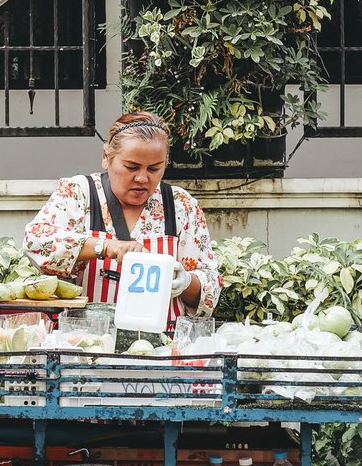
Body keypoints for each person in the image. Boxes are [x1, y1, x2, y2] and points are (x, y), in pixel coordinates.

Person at [23, 110, 220, 327]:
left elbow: (210, 286)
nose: (142, 178)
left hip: (165, 340)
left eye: (154, 168)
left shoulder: (180, 205)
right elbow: (36, 241)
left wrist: (185, 282)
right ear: (106, 158)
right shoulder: (79, 193)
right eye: (131, 167)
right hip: (87, 339)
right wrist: (105, 246)